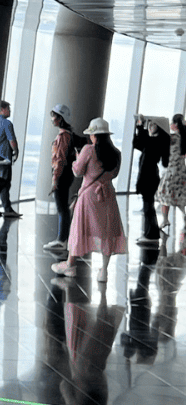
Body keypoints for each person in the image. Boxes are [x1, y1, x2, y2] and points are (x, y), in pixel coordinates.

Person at [52, 117, 127, 283]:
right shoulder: (116, 154)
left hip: (88, 196)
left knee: (79, 229)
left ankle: (70, 265)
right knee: (107, 231)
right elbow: (114, 174)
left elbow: (78, 172)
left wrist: (77, 158)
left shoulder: (88, 150)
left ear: (94, 136)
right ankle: (104, 271)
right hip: (108, 195)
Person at [133, 115, 170, 245]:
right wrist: (139, 127)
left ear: (159, 128)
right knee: (148, 207)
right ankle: (150, 233)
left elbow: (140, 142)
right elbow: (137, 144)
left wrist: (139, 127)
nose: (150, 127)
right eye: (149, 124)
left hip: (149, 177)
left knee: (148, 208)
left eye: (153, 125)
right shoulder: (157, 141)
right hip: (150, 177)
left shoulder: (155, 142)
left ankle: (152, 234)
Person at [45, 103, 77, 253]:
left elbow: (60, 159)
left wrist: (55, 179)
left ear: (60, 118)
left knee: (62, 208)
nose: (52, 119)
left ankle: (62, 240)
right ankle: (63, 238)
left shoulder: (63, 136)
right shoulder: (67, 135)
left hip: (62, 175)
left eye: (54, 116)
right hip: (66, 174)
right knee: (63, 207)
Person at [155, 113, 186, 237]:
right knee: (181, 197)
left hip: (171, 172)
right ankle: (184, 216)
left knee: (164, 196)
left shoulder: (171, 138)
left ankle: (165, 219)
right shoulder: (184, 138)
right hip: (182, 171)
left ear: (174, 124)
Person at [0, 100, 20, 217]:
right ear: (1, 109)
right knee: (4, 184)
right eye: (8, 108)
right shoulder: (7, 123)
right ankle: (6, 208)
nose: (10, 111)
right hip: (4, 158)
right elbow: (11, 140)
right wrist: (16, 151)